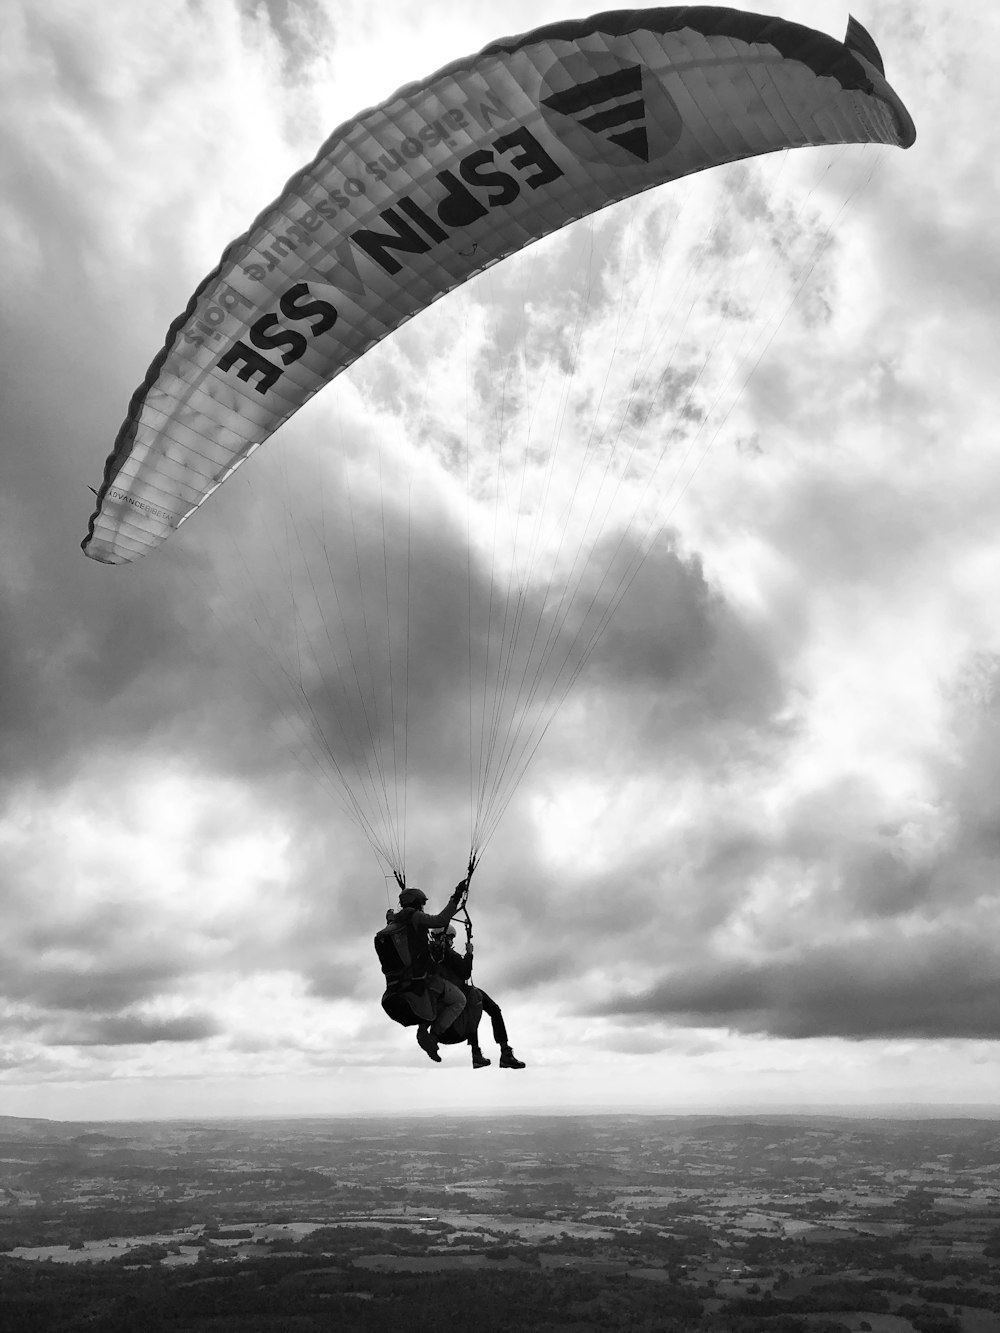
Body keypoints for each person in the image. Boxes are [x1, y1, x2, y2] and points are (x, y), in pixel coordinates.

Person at [389, 880, 470, 1063]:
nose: (423, 907)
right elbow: (441, 920)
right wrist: (456, 895)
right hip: (423, 978)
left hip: (402, 979)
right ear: (417, 903)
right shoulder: (416, 917)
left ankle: (423, 1030)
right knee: (459, 1000)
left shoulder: (395, 921)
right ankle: (433, 1036)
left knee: (433, 1000)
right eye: (422, 903)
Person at [429, 924, 525, 1069]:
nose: (452, 942)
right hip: (457, 993)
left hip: (447, 996)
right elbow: (465, 972)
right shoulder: (447, 954)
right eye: (451, 938)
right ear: (445, 937)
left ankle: (477, 1054)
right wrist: (469, 953)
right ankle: (503, 1052)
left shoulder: (432, 955)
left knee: (472, 1010)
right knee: (490, 1009)